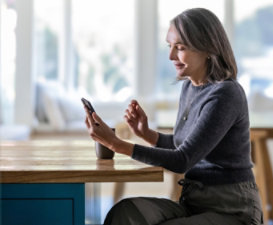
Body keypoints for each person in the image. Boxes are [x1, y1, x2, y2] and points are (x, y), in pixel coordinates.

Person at [84, 8, 263, 225]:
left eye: (180, 48)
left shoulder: (226, 94)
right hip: (193, 203)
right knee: (125, 212)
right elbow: (186, 145)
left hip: (232, 209)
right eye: (170, 46)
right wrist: (147, 134)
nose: (171, 56)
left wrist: (116, 144)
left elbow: (183, 160)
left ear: (208, 48)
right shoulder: (189, 88)